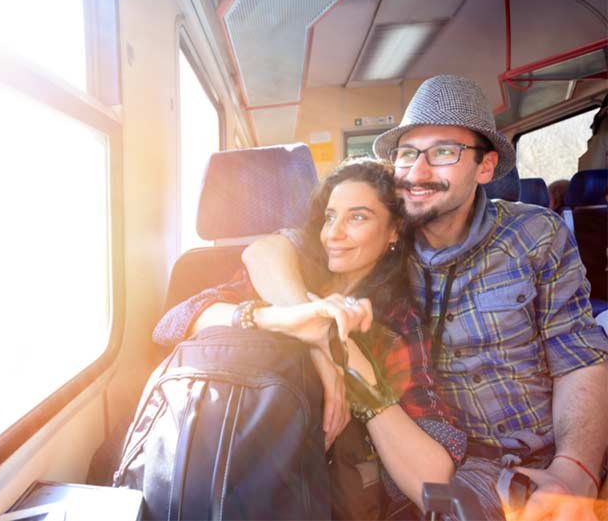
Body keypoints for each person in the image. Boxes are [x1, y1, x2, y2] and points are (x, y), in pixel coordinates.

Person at [242, 75, 608, 521]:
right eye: (408, 153)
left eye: (443, 153)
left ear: (486, 167)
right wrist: (317, 328)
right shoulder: (378, 238)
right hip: (458, 463)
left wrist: (575, 471)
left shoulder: (535, 234)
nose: (417, 172)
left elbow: (580, 358)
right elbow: (267, 252)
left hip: (560, 446)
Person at [153, 158, 466, 515]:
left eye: (358, 217)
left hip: (305, 490)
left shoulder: (397, 322)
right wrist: (294, 321)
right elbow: (172, 324)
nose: (334, 233)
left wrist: (347, 358)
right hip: (209, 459)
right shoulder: (290, 274)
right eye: (331, 216)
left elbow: (433, 480)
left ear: (394, 231)